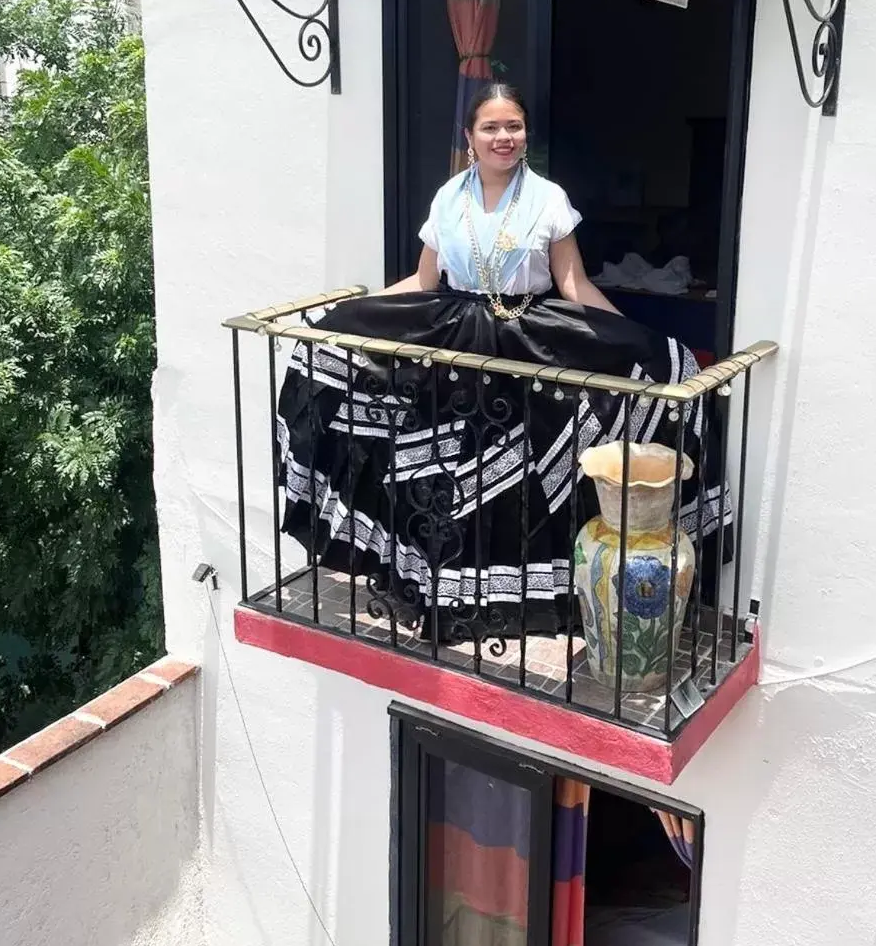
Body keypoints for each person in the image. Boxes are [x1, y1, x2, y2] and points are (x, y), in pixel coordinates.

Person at [275, 83, 729, 645]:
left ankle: (514, 601)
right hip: (452, 344)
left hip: (526, 343)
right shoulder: (448, 199)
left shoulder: (548, 199)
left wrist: (640, 341)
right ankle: (444, 594)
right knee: (446, 478)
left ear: (525, 135)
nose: (503, 137)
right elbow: (424, 280)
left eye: (512, 126)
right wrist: (346, 315)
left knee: (516, 484)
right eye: (490, 127)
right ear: (470, 137)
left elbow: (572, 283)